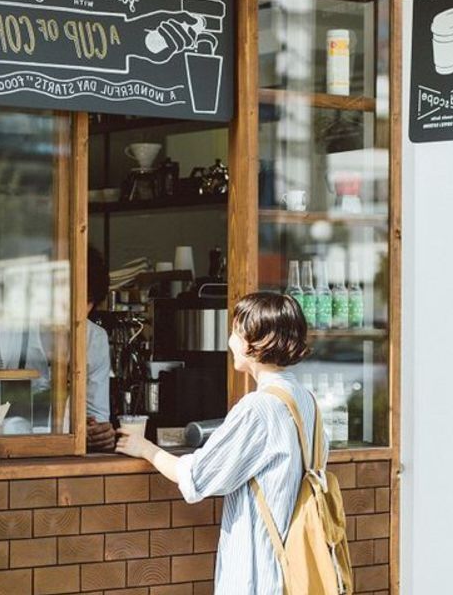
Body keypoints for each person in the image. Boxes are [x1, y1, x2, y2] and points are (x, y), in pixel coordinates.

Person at [116, 292, 326, 595]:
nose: (230, 342)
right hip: (297, 566)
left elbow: (197, 476)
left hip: (262, 571)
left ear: (257, 340)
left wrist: (145, 448)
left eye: (236, 331)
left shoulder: (258, 408)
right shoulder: (306, 401)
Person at [85, 247, 116, 451]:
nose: (77, 307)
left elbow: (95, 416)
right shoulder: (14, 335)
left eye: (87, 299)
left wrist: (101, 434)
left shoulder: (94, 338)